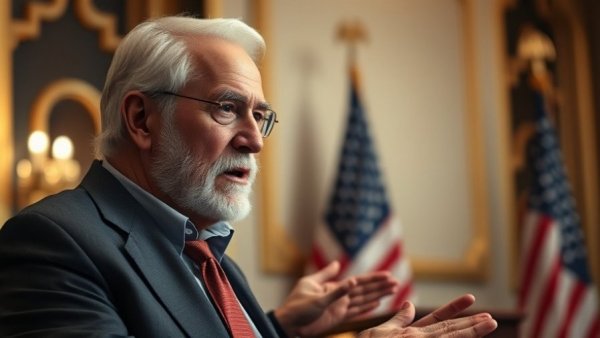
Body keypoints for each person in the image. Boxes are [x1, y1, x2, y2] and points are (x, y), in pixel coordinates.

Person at [0, 16, 497, 337]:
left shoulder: (214, 262)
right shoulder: (53, 242)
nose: (254, 139)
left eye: (259, 116)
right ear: (141, 120)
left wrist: (278, 330)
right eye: (226, 108)